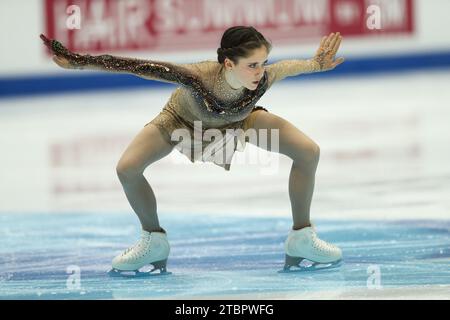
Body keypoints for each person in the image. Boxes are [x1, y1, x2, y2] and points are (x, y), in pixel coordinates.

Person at [40, 26, 344, 275]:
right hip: (181, 122)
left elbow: (292, 67)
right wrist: (79, 61)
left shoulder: (263, 78)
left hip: (238, 121)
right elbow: (136, 67)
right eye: (252, 65)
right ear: (229, 63)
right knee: (127, 169)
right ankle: (153, 240)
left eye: (263, 62)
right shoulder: (197, 76)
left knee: (308, 151)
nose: (260, 71)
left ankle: (301, 238)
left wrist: (317, 64)